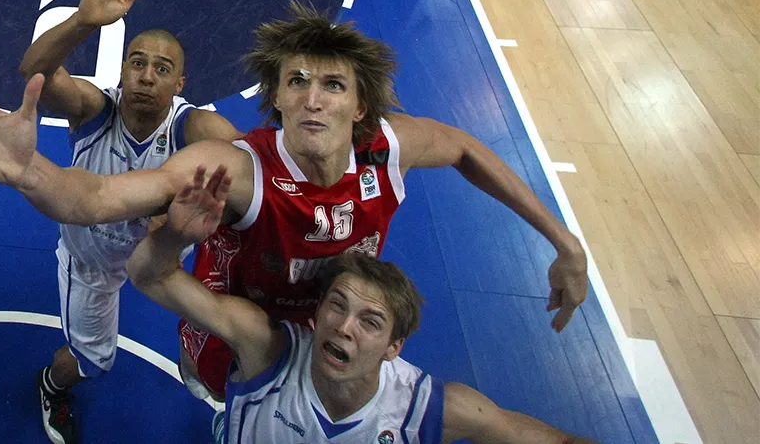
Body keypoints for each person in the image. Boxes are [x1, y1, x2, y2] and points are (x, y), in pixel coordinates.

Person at [0, 2, 588, 406]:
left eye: (333, 85)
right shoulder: (241, 167)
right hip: (239, 324)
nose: (313, 98)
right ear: (277, 98)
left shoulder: (389, 145)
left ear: (361, 106)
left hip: (332, 324)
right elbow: (94, 197)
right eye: (296, 82)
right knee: (212, 390)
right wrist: (29, 169)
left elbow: (466, 147)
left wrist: (565, 242)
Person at [127, 164, 595, 444]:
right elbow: (149, 274)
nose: (344, 326)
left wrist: (567, 246)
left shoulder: (426, 410)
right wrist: (174, 237)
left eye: (370, 322)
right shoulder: (265, 347)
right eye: (337, 305)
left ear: (395, 347)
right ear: (316, 311)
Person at [18, 0, 240, 443]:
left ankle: (197, 362)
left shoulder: (197, 127)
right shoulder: (94, 109)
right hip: (92, 262)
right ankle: (52, 385)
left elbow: (253, 172)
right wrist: (82, 21)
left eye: (162, 68)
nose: (146, 75)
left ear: (180, 84)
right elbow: (35, 72)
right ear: (122, 71)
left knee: (231, 332)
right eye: (137, 63)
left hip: (162, 263)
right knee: (93, 360)